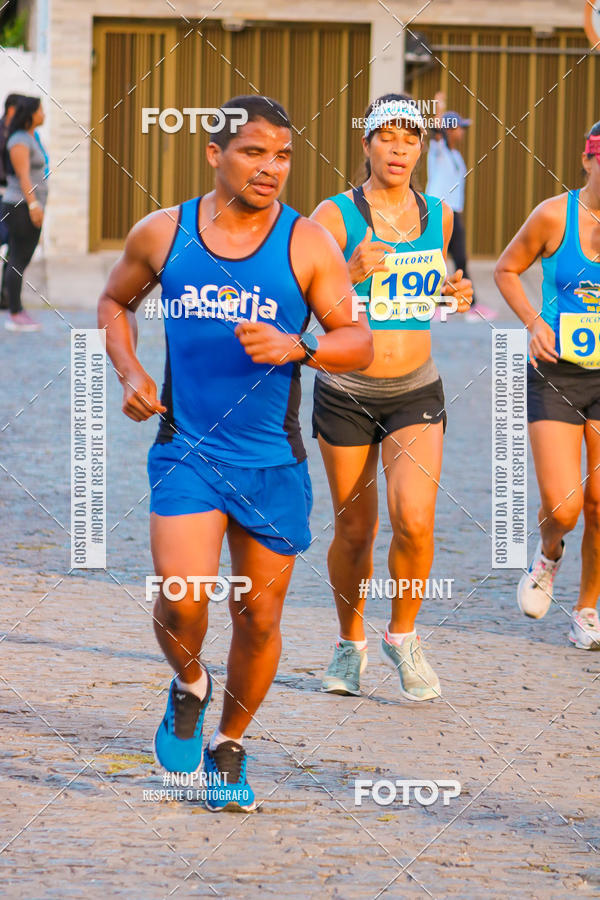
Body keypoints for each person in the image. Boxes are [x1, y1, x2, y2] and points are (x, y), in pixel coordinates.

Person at [98, 95, 373, 811]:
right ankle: (190, 685)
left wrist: (299, 347)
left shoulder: (307, 243)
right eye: (254, 152)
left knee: (258, 618)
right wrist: (130, 373)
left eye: (282, 155)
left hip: (272, 462)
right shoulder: (164, 232)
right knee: (181, 597)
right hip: (187, 450)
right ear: (214, 154)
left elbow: (358, 342)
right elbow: (114, 302)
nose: (270, 167)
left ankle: (229, 745)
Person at [310, 93, 472, 700]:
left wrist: (452, 295)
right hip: (346, 392)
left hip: (414, 390)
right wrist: (348, 273)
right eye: (388, 137)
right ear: (367, 144)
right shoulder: (333, 216)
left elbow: (429, 292)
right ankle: (349, 642)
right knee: (356, 530)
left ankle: (403, 636)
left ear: (422, 148)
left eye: (411, 138)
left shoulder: (439, 215)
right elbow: (300, 305)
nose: (400, 149)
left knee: (416, 522)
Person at [495, 121, 600, 650]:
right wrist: (534, 322)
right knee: (565, 507)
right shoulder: (555, 215)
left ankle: (586, 609)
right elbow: (506, 269)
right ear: (588, 160)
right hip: (556, 370)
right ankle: (549, 553)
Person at [426, 92, 494, 322]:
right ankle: (434, 304)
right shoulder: (438, 151)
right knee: (438, 259)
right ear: (449, 130)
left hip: (454, 213)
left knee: (461, 259)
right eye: (459, 127)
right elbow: (436, 130)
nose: (463, 132)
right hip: (438, 211)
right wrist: (440, 107)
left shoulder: (454, 154)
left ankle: (470, 305)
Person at [2, 95, 47, 331]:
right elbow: (23, 176)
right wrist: (33, 205)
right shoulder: (19, 139)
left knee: (20, 258)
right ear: (29, 115)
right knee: (18, 258)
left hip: (26, 206)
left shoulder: (30, 137)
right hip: (20, 206)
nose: (43, 114)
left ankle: (17, 310)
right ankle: (15, 313)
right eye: (40, 110)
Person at [0, 93, 23, 309]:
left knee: (12, 246)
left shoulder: (20, 134)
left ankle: (5, 296)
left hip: (11, 197)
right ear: (11, 110)